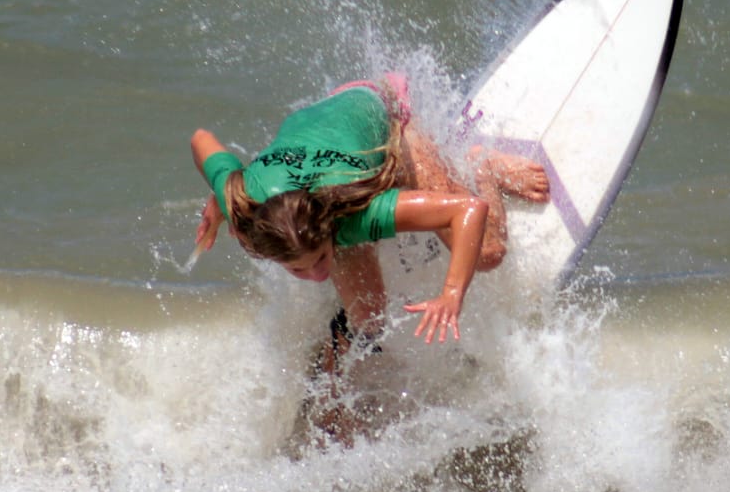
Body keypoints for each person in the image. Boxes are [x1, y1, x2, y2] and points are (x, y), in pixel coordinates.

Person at [190, 74, 549, 348]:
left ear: (330, 230)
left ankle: (482, 164)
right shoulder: (243, 206)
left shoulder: (357, 213)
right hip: (332, 121)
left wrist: (452, 293)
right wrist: (223, 198)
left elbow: (469, 210)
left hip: (384, 114)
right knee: (368, 315)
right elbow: (200, 137)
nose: (316, 275)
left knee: (485, 254)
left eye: (318, 259)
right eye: (297, 268)